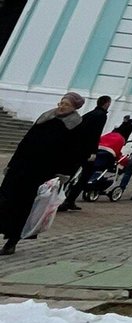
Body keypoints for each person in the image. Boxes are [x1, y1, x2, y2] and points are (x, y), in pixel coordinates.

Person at [0, 93, 85, 254]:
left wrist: (63, 174)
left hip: (42, 172)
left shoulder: (75, 125)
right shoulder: (46, 117)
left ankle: (12, 241)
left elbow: (74, 153)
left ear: (74, 107)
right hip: (21, 166)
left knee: (24, 206)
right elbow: (26, 140)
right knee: (4, 199)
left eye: (66, 104)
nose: (61, 106)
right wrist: (12, 163)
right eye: (61, 102)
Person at [61, 95, 112, 210]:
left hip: (77, 149)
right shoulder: (101, 116)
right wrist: (93, 152)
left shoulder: (89, 114)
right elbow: (95, 134)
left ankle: (64, 199)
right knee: (84, 176)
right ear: (106, 103)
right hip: (86, 151)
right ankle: (68, 200)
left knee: (70, 174)